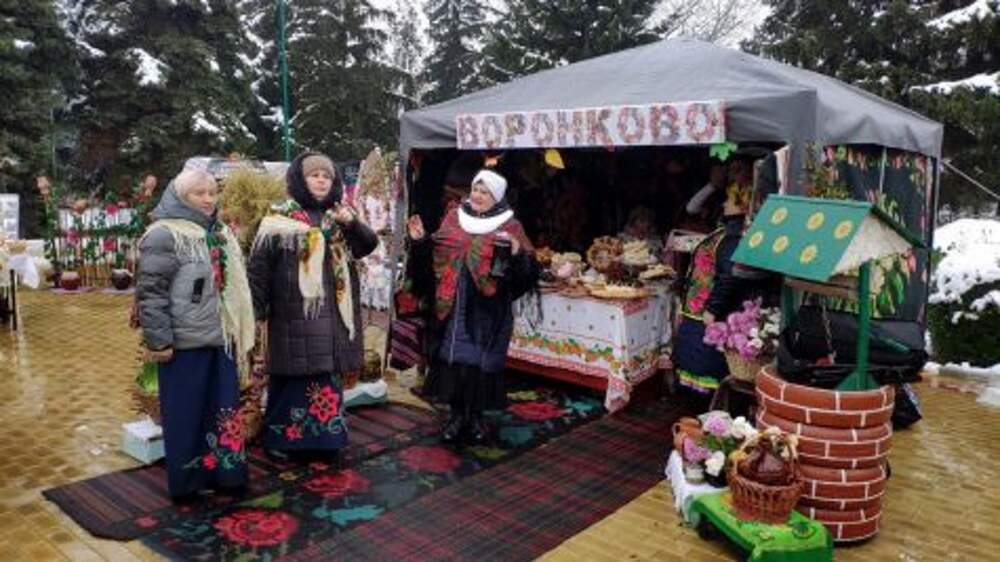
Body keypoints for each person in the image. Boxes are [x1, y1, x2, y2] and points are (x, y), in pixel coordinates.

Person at [136, 169, 256, 501]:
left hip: (221, 338)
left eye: (212, 193)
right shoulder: (164, 234)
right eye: (198, 193)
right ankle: (188, 482)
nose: (207, 199)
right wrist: (160, 342)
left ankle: (226, 474)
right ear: (180, 196)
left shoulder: (219, 232)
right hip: (185, 344)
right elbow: (151, 293)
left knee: (222, 410)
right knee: (186, 415)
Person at [249, 153, 378, 462]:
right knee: (291, 379)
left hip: (332, 317)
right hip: (291, 315)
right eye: (314, 175)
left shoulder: (340, 217)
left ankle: (327, 440)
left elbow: (367, 246)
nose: (321, 181)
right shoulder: (278, 218)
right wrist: (256, 311)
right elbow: (259, 269)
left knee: (325, 378)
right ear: (300, 179)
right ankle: (283, 440)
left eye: (327, 176)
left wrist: (352, 224)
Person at [407, 169, 539, 444]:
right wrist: (420, 240)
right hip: (452, 304)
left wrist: (516, 254)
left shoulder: (510, 226)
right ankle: (456, 417)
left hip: (487, 310)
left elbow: (528, 275)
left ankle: (476, 418)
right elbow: (434, 255)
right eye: (476, 189)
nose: (478, 195)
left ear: (496, 197)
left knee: (479, 364)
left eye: (485, 192)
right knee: (454, 361)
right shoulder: (454, 217)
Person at [672, 161, 774, 407]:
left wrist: (712, 309)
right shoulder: (731, 231)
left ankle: (706, 416)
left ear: (742, 203)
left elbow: (731, 274)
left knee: (706, 381)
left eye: (729, 199)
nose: (724, 202)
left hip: (710, 316)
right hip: (699, 312)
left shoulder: (736, 236)